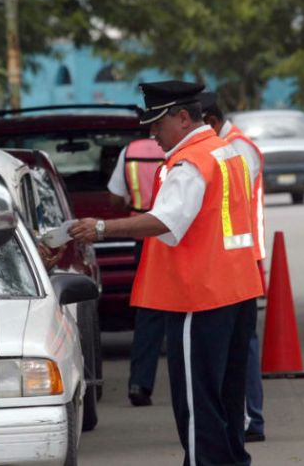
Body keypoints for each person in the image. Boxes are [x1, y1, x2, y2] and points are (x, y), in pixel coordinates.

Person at [69, 80, 263, 466]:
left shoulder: (191, 163)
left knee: (197, 400)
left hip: (200, 295)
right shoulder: (226, 153)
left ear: (184, 117)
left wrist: (103, 228)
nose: (152, 134)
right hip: (236, 289)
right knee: (227, 394)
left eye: (157, 123)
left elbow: (164, 220)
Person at [200, 91, 267, 443]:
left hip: (242, 257)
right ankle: (246, 417)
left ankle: (249, 418)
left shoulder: (236, 148)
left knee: (242, 343)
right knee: (241, 341)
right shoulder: (231, 146)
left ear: (210, 121)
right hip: (237, 256)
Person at [106, 137, 166, 406]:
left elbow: (115, 198)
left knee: (149, 312)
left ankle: (140, 384)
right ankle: (191, 381)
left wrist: (134, 204)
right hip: (181, 236)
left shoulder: (130, 151)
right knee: (189, 312)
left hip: (145, 240)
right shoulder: (184, 149)